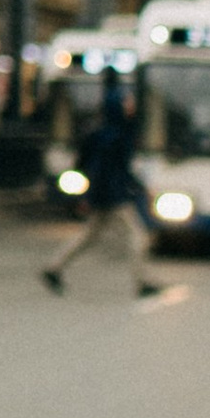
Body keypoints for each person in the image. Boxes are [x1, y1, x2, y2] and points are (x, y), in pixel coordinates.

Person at [42, 80, 156, 298]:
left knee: (89, 236)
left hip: (101, 194)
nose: (131, 105)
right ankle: (141, 282)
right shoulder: (119, 135)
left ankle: (54, 268)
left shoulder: (98, 133)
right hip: (114, 197)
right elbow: (120, 170)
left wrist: (87, 194)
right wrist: (141, 189)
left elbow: (82, 164)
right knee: (138, 236)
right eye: (127, 101)